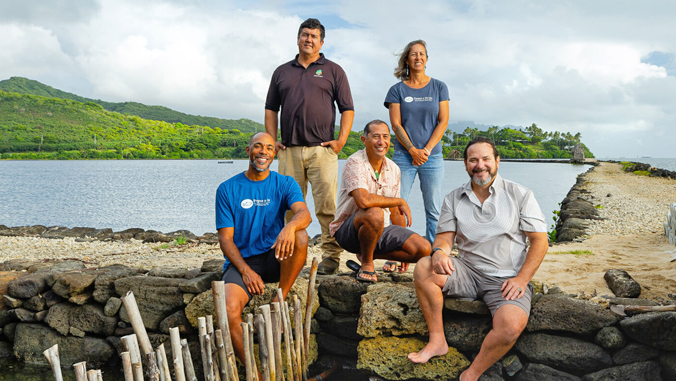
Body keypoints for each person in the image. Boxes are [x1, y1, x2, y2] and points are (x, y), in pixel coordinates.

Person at [409, 137, 548, 381]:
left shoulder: (520, 194)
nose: (480, 165)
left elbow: (540, 242)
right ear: (465, 164)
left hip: (506, 279)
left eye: (485, 159)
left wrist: (522, 279)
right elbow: (443, 239)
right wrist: (440, 252)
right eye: (473, 160)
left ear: (497, 162)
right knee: (424, 267)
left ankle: (470, 375)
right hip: (467, 272)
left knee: (511, 325)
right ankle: (437, 341)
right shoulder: (453, 198)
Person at [265, 18, 354, 275]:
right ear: (297, 38)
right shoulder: (282, 71)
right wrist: (272, 142)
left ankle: (331, 256)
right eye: (305, 35)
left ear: (321, 42)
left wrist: (340, 142)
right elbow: (271, 108)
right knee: (287, 207)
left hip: (322, 151)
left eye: (314, 36)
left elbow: (347, 108)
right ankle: (289, 254)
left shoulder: (334, 70)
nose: (309, 39)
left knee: (327, 207)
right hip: (288, 151)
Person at [215, 132, 311, 364]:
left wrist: (288, 228)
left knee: (300, 236)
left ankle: (281, 297)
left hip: (275, 257)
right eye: (258, 147)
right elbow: (226, 239)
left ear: (274, 153)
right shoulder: (227, 188)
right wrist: (246, 271)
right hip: (242, 262)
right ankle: (253, 372)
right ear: (248, 151)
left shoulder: (285, 183)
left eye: (269, 148)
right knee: (227, 311)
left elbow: (304, 213)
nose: (263, 152)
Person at [329, 120, 431, 282]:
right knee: (374, 211)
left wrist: (399, 251)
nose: (381, 142)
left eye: (385, 137)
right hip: (349, 231)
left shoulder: (394, 169)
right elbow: (363, 201)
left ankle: (367, 254)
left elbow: (395, 211)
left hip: (380, 229)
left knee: (423, 249)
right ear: (364, 140)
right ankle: (367, 264)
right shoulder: (355, 162)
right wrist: (399, 201)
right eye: (376, 136)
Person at [384, 39, 449, 243]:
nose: (418, 57)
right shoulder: (397, 90)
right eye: (413, 54)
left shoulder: (439, 87)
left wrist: (426, 150)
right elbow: (396, 125)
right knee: (396, 206)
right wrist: (412, 150)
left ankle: (432, 253)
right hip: (403, 157)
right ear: (407, 60)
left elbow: (443, 120)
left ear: (427, 59)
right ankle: (395, 253)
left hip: (433, 158)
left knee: (433, 209)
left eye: (422, 54)